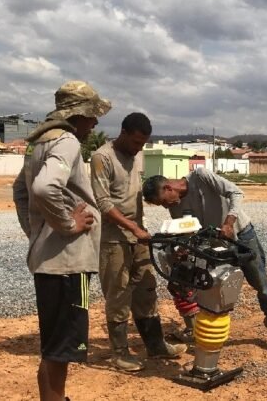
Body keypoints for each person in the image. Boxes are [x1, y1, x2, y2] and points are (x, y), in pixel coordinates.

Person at [13, 80, 111, 401]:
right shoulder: (66, 141)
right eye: (92, 116)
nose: (95, 122)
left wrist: (38, 234)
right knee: (61, 350)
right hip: (69, 265)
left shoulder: (38, 142)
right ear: (79, 115)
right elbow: (43, 188)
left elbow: (21, 192)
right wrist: (68, 225)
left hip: (49, 261)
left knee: (53, 346)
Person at [141, 169, 267, 344]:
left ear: (168, 188)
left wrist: (229, 223)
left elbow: (236, 192)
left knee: (259, 280)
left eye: (163, 202)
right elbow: (185, 231)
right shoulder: (176, 206)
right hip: (214, 244)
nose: (166, 206)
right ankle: (208, 328)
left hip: (240, 234)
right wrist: (183, 248)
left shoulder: (200, 177)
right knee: (212, 285)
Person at [90, 113, 186, 372]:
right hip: (113, 240)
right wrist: (132, 226)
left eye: (142, 144)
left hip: (139, 236)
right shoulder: (102, 157)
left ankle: (155, 345)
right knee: (119, 295)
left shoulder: (138, 155)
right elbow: (103, 203)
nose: (138, 148)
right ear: (122, 132)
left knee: (146, 288)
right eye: (135, 142)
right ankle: (120, 353)